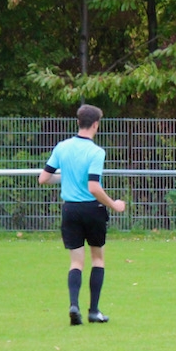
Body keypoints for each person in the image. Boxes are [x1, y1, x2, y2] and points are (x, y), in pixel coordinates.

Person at [37, 104, 127, 325]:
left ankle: (73, 305)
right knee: (98, 259)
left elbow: (44, 178)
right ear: (96, 125)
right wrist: (114, 205)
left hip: (70, 210)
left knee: (76, 262)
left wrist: (66, 177)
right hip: (92, 210)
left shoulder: (62, 147)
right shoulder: (96, 152)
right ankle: (93, 311)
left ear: (78, 122)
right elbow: (94, 187)